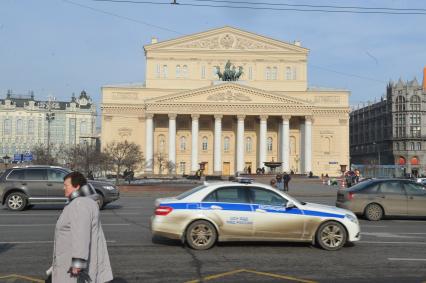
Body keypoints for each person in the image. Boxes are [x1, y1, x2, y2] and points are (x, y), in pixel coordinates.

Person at [48, 171, 113, 283]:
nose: (64, 188)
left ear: (77, 186)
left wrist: (77, 265)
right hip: (69, 259)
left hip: (71, 265)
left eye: (66, 185)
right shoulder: (84, 202)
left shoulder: (80, 204)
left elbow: (81, 236)